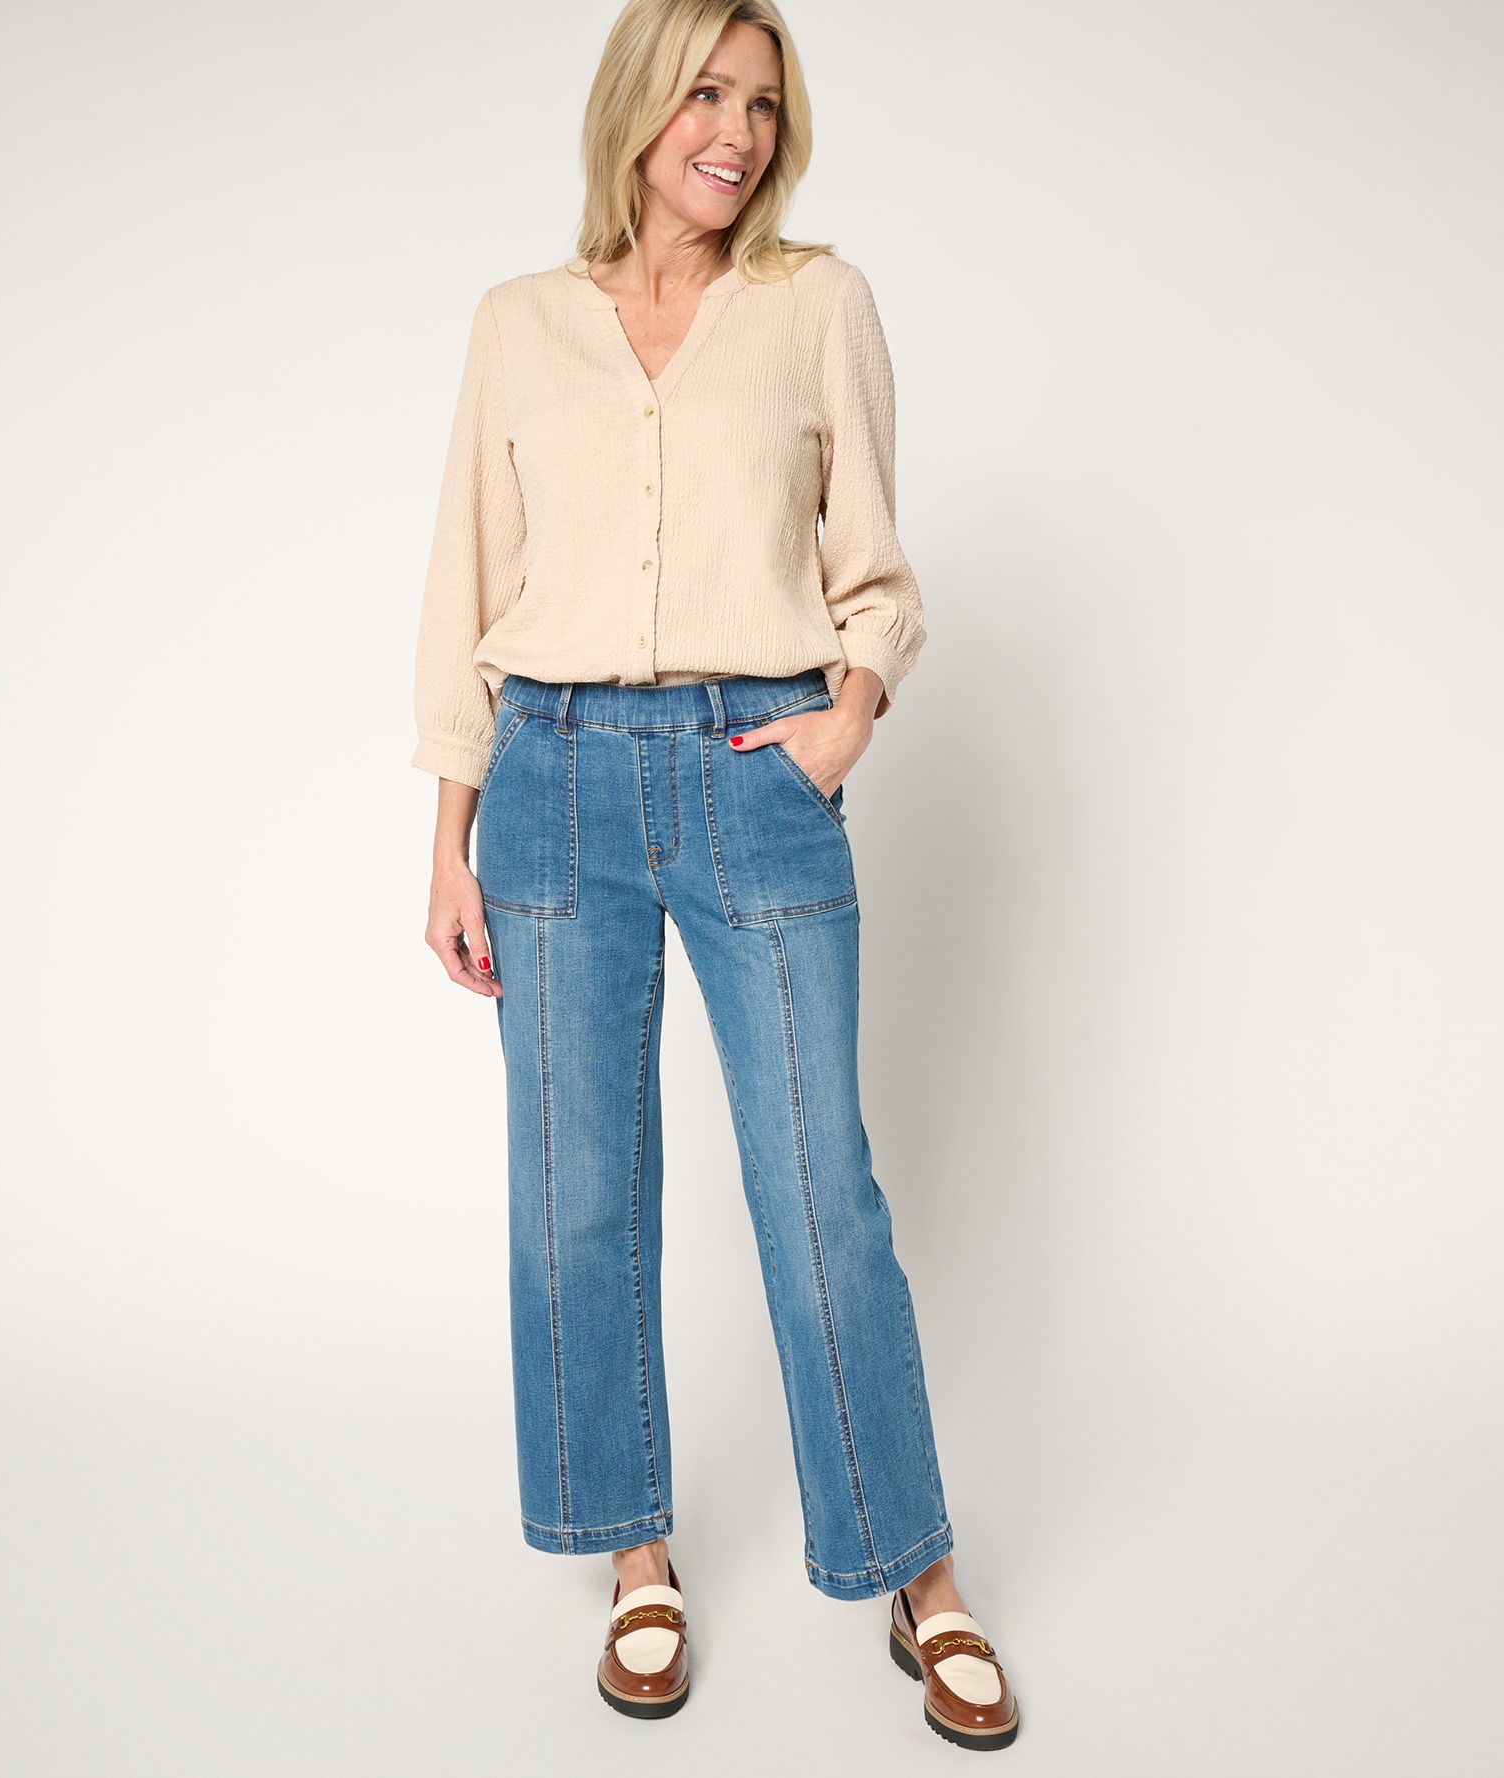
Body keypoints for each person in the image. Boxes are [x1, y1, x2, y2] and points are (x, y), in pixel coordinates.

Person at [410, 1, 1017, 1750]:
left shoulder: (816, 305)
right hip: (552, 783)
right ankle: (636, 1551)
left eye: (762, 103)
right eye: (706, 93)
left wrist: (847, 717)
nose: (736, 132)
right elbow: (465, 583)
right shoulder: (518, 326)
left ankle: (914, 1567)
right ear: (638, 104)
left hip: (758, 769)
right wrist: (447, 840)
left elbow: (875, 569)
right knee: (576, 1193)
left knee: (820, 1183)